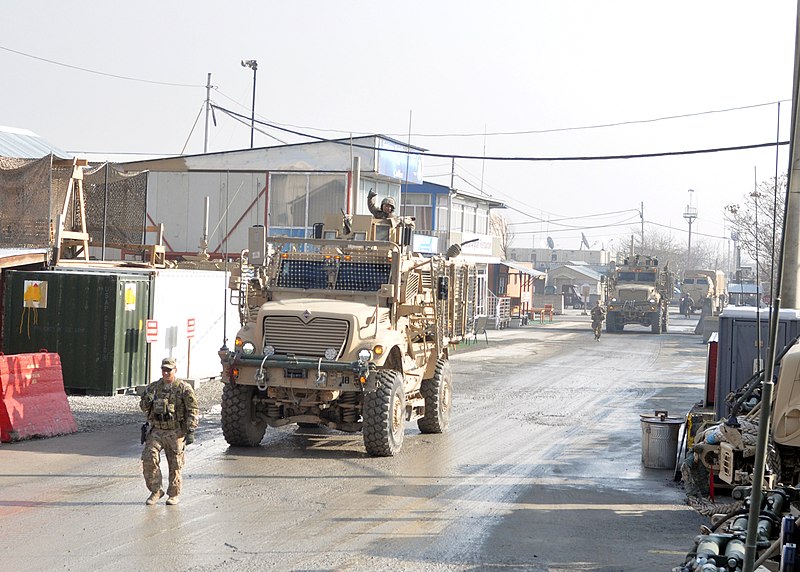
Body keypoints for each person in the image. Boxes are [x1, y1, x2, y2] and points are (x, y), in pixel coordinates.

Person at [140, 357, 199, 506]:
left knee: (175, 464)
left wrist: (190, 429)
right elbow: (143, 407)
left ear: (175, 370)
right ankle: (155, 491)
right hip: (157, 430)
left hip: (175, 431)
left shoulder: (183, 388)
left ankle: (173, 494)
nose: (166, 373)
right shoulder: (154, 388)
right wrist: (148, 399)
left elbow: (193, 410)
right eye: (163, 370)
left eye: (169, 370)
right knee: (149, 458)